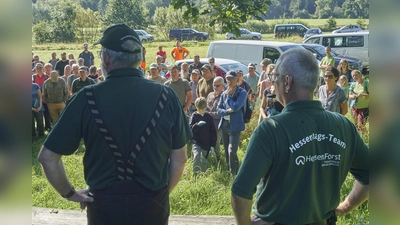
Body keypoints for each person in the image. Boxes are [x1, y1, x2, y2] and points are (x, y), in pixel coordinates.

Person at [38, 23, 192, 225]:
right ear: (140, 59)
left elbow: (47, 158)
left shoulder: (86, 98)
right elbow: (179, 159)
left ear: (106, 59)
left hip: (104, 207)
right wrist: (160, 193)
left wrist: (70, 193)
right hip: (153, 206)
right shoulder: (167, 96)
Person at [231, 48, 369, 225]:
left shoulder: (271, 129)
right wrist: (344, 208)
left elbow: (240, 194)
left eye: (276, 78)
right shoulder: (344, 126)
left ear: (287, 82)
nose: (274, 82)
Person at [217, 71, 247, 175]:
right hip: (225, 124)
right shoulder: (224, 93)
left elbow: (236, 107)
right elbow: (218, 109)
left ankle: (235, 173)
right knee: (226, 150)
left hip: (235, 125)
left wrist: (229, 98)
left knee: (231, 151)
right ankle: (230, 171)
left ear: (236, 80)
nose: (229, 81)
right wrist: (227, 111)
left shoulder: (242, 93)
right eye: (227, 79)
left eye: (231, 79)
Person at [189, 97, 217, 175]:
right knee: (197, 156)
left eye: (203, 109)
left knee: (204, 160)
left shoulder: (209, 117)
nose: (201, 111)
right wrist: (197, 125)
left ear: (206, 107)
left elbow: (213, 132)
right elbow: (190, 129)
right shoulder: (194, 116)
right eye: (199, 109)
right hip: (196, 141)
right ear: (196, 108)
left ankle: (204, 175)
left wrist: (212, 145)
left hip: (206, 142)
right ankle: (195, 174)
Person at [206, 76, 225, 162]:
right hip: (208, 124)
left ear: (222, 86)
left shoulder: (225, 97)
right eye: (214, 85)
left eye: (218, 86)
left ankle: (218, 161)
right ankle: (208, 160)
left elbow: (221, 114)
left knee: (216, 144)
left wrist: (208, 114)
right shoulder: (210, 95)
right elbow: (206, 108)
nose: (216, 87)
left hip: (217, 125)